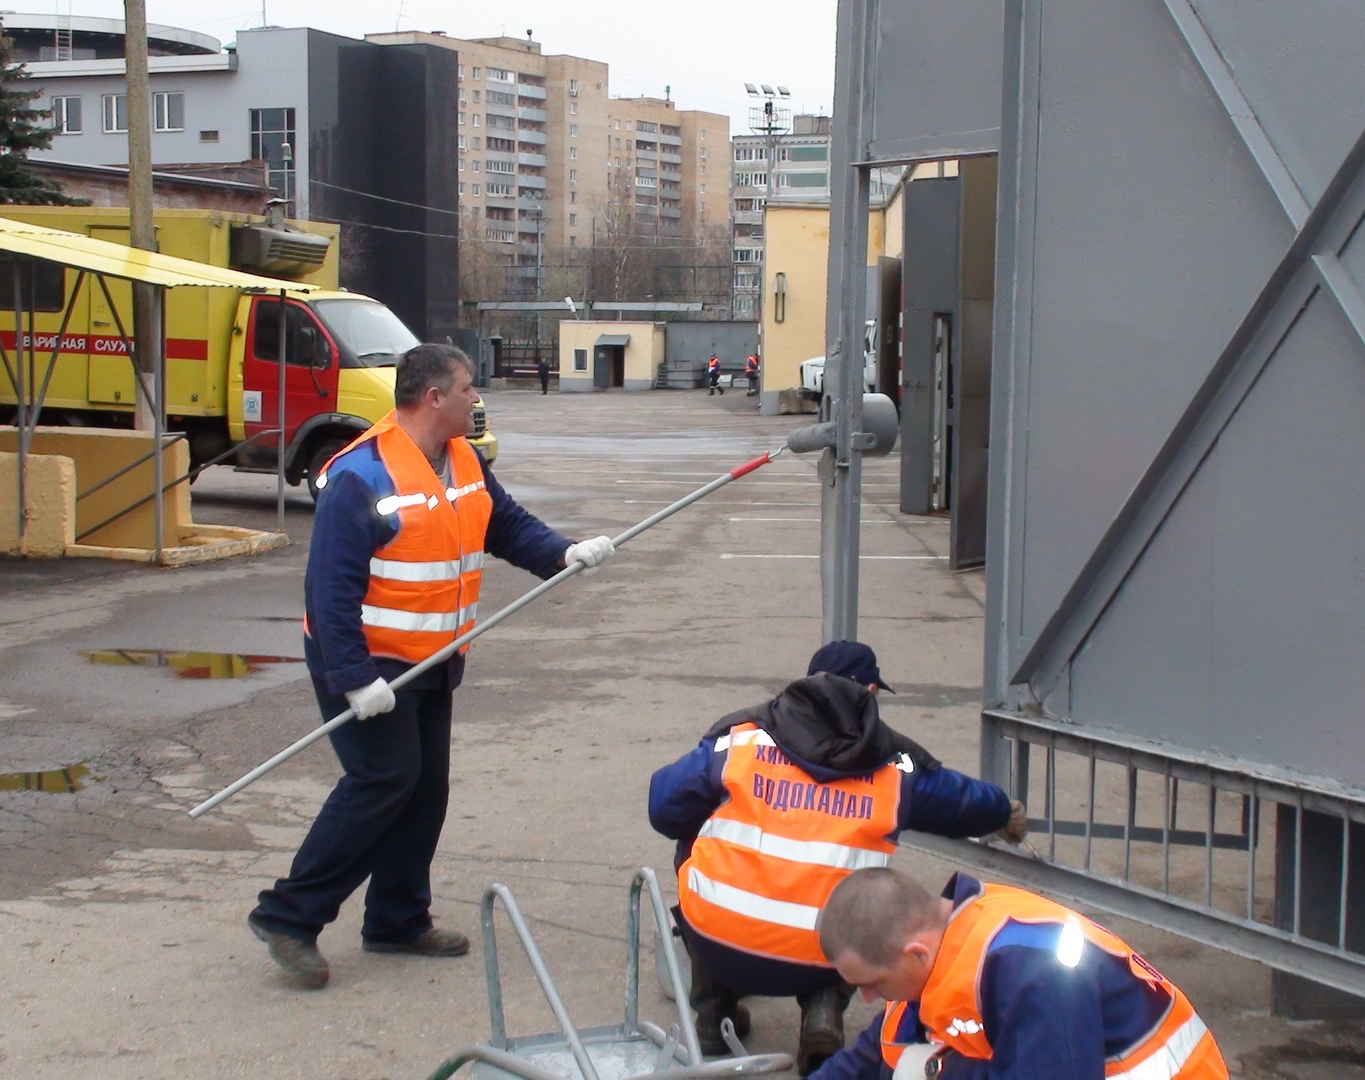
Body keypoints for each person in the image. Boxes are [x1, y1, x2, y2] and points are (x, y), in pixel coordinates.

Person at [248, 343, 616, 990]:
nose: (478, 399)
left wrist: (563, 554)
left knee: (424, 790)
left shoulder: (464, 460)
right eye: (470, 388)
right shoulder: (360, 474)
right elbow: (328, 593)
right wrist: (355, 679)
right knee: (383, 780)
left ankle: (396, 918)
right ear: (433, 398)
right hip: (367, 659)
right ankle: (288, 915)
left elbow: (503, 524)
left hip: (435, 657)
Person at [648, 641, 1027, 1073]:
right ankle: (821, 1016)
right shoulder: (894, 770)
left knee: (695, 841)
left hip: (716, 941)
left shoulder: (741, 741)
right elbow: (960, 801)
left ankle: (714, 1013)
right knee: (862, 895)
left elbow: (664, 807)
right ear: (868, 690)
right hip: (821, 958)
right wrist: (1003, 811)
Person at [809, 868, 1229, 1080]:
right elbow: (876, 1053)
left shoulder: (1034, 972)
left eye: (871, 984)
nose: (866, 999)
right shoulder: (944, 942)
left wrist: (942, 1071)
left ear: (914, 953)